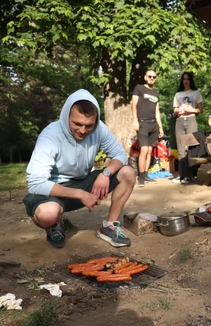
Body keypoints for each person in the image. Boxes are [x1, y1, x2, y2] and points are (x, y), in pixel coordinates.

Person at [23, 89, 136, 249]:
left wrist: (106, 173)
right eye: (77, 124)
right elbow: (36, 183)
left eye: (89, 125)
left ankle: (109, 227)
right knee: (47, 215)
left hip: (82, 181)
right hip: (53, 190)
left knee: (128, 173)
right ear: (67, 116)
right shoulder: (50, 136)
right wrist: (81, 194)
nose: (83, 131)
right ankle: (54, 225)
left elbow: (119, 155)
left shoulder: (99, 129)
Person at [131, 69, 164, 187]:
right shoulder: (139, 88)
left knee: (150, 151)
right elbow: (133, 104)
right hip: (142, 123)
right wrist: (135, 120)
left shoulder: (155, 93)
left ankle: (145, 175)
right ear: (145, 77)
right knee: (143, 150)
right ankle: (140, 176)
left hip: (154, 124)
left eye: (154, 77)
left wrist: (160, 127)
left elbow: (157, 110)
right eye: (150, 76)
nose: (152, 78)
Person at [172, 72, 203, 184]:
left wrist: (191, 110)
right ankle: (181, 174)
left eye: (188, 79)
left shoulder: (196, 93)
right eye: (184, 79)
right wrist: (176, 111)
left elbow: (200, 109)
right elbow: (175, 109)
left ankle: (190, 175)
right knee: (181, 149)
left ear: (190, 80)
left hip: (191, 120)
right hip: (179, 121)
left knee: (190, 148)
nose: (186, 81)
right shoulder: (178, 94)